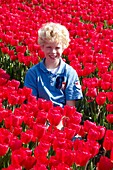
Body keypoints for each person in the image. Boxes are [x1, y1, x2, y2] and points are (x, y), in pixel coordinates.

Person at [24, 22, 83, 108]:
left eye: (57, 48)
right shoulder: (33, 73)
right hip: (40, 117)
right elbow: (32, 105)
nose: (53, 52)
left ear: (63, 47)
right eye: (49, 47)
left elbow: (70, 108)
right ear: (42, 47)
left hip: (63, 118)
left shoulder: (70, 73)